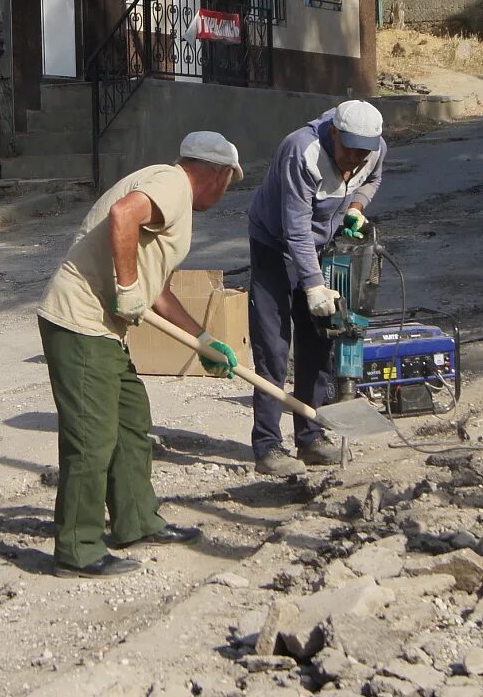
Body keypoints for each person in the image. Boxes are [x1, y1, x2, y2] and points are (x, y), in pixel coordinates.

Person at [35, 132, 244, 578]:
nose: (225, 192)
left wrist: (202, 339)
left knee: (131, 419)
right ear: (218, 174)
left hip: (104, 331)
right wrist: (128, 288)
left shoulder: (170, 194)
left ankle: (136, 521)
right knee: (92, 438)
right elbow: (122, 215)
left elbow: (158, 291)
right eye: (228, 182)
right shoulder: (172, 184)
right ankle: (78, 547)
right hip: (80, 323)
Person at [245, 100, 386, 477]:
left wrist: (355, 206)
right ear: (335, 133)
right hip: (275, 244)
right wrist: (313, 286)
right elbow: (295, 228)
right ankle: (267, 445)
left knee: (319, 341)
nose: (354, 161)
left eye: (363, 154)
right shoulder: (300, 150)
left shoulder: (373, 149)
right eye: (348, 151)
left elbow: (373, 179)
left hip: (320, 247)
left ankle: (309, 438)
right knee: (273, 348)